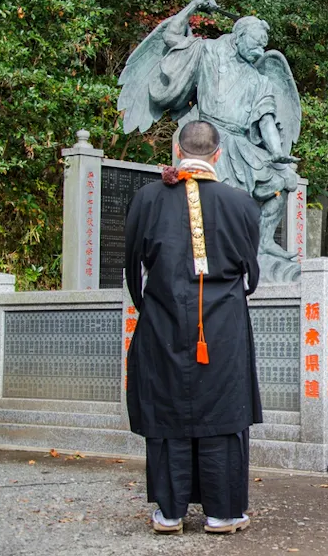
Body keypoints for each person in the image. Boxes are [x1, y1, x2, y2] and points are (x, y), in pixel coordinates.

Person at [125, 120, 262, 535]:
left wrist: (149, 306)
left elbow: (133, 267)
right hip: (222, 326)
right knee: (222, 413)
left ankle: (169, 513)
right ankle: (223, 514)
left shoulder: (148, 198)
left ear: (175, 149)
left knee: (168, 410)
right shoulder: (240, 203)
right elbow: (250, 273)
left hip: (164, 320)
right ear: (217, 154)